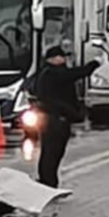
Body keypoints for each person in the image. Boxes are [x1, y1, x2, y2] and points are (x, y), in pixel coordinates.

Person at [32, 47, 99, 188]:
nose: (64, 60)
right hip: (55, 119)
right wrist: (95, 63)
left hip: (52, 119)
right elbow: (77, 73)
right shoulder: (52, 73)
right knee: (52, 152)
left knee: (51, 152)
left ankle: (48, 181)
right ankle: (48, 182)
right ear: (53, 58)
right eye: (61, 57)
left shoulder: (46, 73)